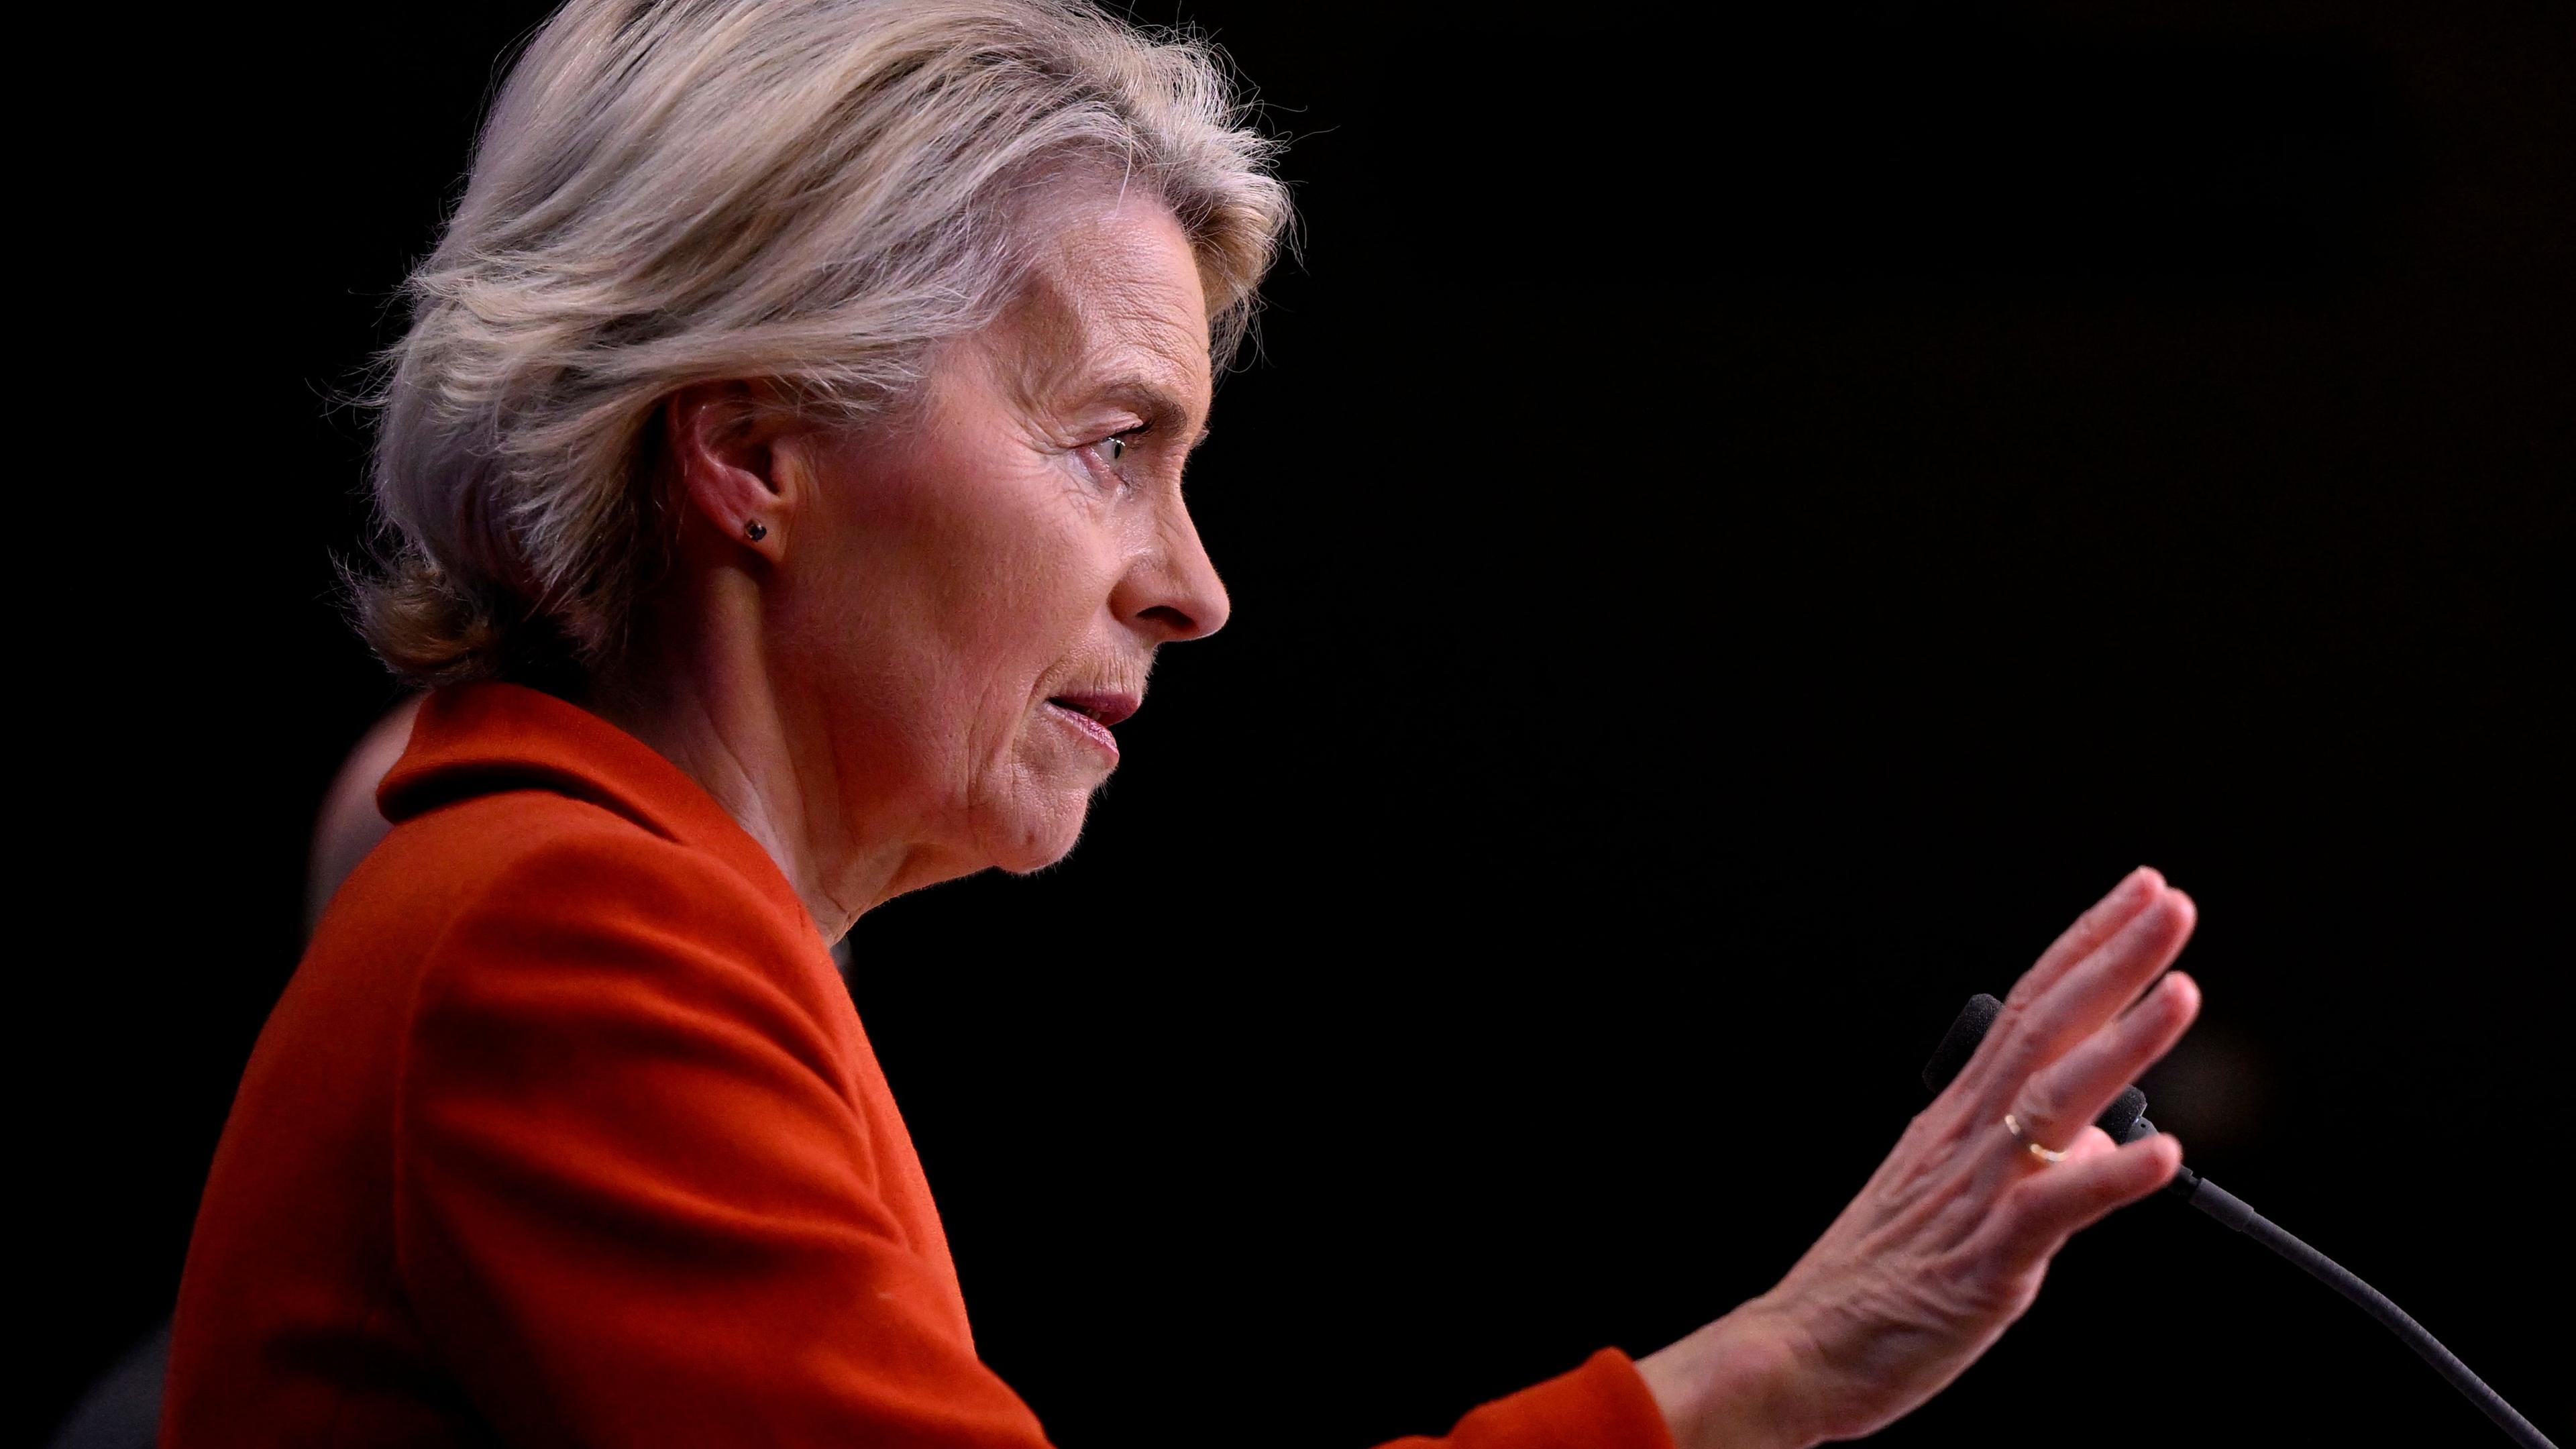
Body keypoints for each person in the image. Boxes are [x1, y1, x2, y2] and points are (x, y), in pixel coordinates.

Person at [164, 3, 2204, 1445]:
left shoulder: (598, 906)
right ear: (752, 448)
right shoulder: (577, 939)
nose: (1193, 585)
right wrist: (1764, 1378)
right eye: (1107, 445)